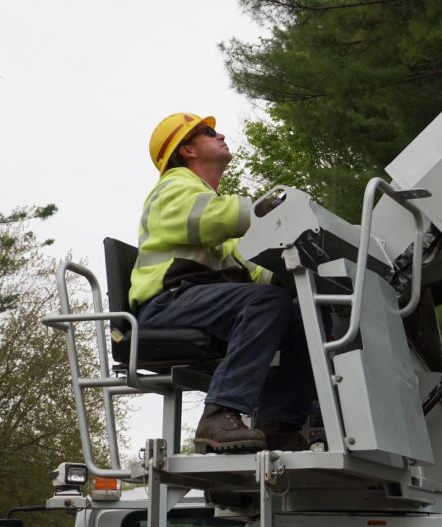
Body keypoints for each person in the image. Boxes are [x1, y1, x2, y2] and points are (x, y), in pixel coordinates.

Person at [129, 112, 313, 453]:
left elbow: (251, 268)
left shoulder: (209, 210)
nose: (221, 135)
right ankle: (218, 414)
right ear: (187, 150)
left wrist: (301, 273)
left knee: (304, 315)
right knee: (267, 302)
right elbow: (215, 217)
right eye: (209, 132)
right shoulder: (173, 187)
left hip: (199, 303)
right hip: (166, 305)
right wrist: (270, 210)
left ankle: (278, 424)